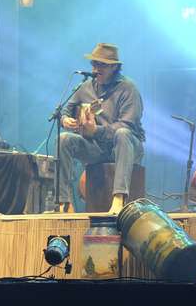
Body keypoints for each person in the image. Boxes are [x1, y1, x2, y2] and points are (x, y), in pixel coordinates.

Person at [56, 43, 145, 214]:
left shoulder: (128, 88)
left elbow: (127, 125)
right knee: (63, 139)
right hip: (98, 149)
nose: (96, 68)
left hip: (126, 147)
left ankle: (119, 199)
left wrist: (96, 131)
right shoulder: (85, 87)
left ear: (113, 66)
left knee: (123, 133)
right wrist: (65, 119)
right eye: (94, 64)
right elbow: (65, 111)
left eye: (101, 64)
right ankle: (64, 203)